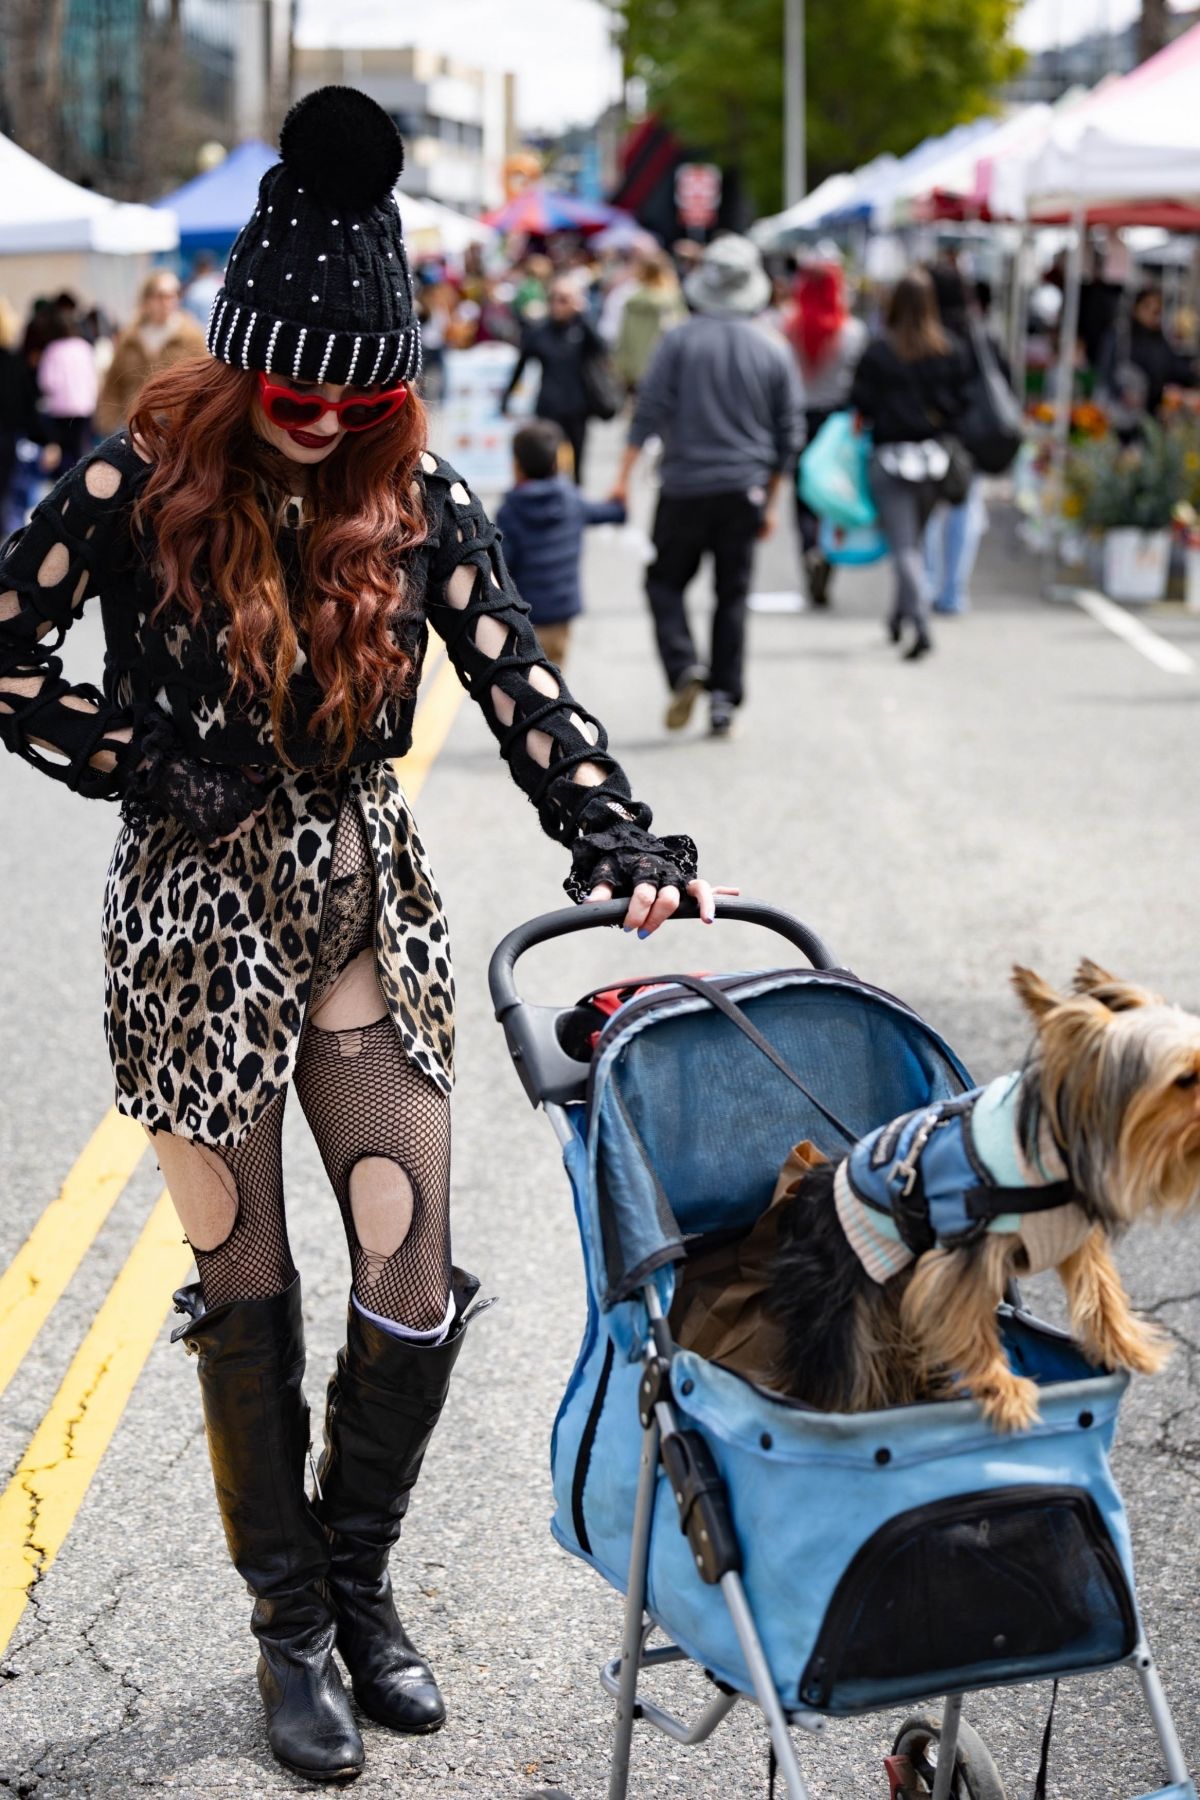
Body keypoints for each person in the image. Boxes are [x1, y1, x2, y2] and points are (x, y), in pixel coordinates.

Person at [0, 88, 722, 1787]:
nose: (323, 419)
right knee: (243, 1277)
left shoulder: (417, 500)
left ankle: (356, 1578)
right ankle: (287, 1629)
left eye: (359, 389)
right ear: (244, 363)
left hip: (355, 900)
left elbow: (524, 688)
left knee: (408, 1269)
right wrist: (145, 756)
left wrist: (616, 837)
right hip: (188, 917)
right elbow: (7, 655)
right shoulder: (134, 475)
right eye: (292, 389)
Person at [609, 234, 805, 739]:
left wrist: (622, 478)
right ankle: (723, 699)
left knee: (664, 582)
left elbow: (648, 413)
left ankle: (682, 667)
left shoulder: (678, 339)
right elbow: (789, 435)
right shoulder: (773, 347)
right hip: (746, 490)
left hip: (684, 488)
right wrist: (773, 503)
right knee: (731, 596)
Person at [849, 267, 969, 661]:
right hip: (933, 461)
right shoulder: (948, 349)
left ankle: (918, 621)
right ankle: (899, 616)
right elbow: (959, 406)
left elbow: (860, 403)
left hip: (891, 458)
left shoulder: (880, 351)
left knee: (904, 547)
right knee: (913, 543)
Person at [496, 417, 627, 668]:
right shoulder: (571, 499)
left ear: (516, 466)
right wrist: (620, 502)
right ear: (557, 462)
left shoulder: (511, 511)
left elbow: (503, 562)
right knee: (554, 679)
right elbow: (609, 513)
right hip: (561, 616)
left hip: (525, 617)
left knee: (526, 682)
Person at [922, 263, 1011, 617]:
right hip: (972, 438)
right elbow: (1005, 381)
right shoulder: (982, 333)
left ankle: (928, 584)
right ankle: (953, 591)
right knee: (964, 510)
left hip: (934, 434)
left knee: (928, 513)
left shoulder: (928, 335)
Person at [784, 258, 868, 607]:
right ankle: (827, 557)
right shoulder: (853, 332)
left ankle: (809, 549)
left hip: (797, 417)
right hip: (837, 422)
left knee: (803, 494)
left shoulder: (786, 327)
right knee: (832, 495)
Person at [500, 277, 606, 485]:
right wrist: (506, 398)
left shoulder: (581, 328)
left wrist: (582, 313)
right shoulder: (539, 331)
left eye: (564, 299)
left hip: (578, 405)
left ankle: (574, 502)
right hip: (548, 406)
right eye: (555, 299)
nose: (558, 304)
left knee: (578, 461)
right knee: (547, 460)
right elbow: (521, 367)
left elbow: (601, 349)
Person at [95, 270, 206, 435]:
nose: (166, 303)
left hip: (176, 431)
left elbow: (205, 385)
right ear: (146, 301)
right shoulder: (129, 338)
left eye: (171, 296)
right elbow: (112, 385)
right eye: (160, 296)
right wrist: (108, 423)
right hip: (132, 428)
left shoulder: (192, 336)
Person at [1100, 283, 1199, 420]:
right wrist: (1121, 392)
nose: (1153, 313)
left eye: (1157, 310)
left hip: (1149, 415)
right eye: (1148, 307)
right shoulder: (1120, 337)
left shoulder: (1159, 341)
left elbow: (1172, 367)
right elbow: (1105, 371)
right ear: (1136, 308)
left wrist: (1192, 370)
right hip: (1119, 413)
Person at [34, 301, 99, 474]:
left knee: (61, 454)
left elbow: (46, 381)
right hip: (84, 407)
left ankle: (63, 490)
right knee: (81, 451)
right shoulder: (84, 347)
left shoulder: (52, 349)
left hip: (60, 409)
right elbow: (93, 376)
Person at [613, 247, 685, 396]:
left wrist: (621, 367)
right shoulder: (671, 301)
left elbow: (623, 337)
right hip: (665, 370)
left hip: (636, 370)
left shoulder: (631, 300)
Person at [182, 250, 224, 327]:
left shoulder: (193, 289)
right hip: (221, 331)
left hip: (201, 333)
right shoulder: (221, 282)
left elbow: (189, 318)